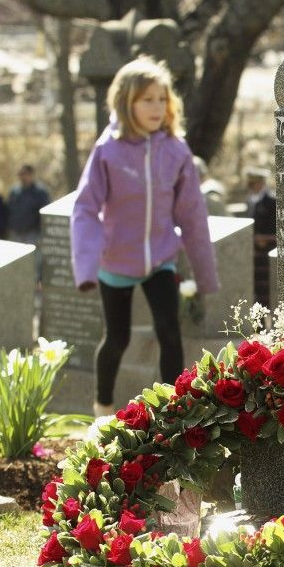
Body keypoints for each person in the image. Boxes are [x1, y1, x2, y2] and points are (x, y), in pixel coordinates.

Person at [70, 56, 219, 419]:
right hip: (116, 263)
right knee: (117, 339)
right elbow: (86, 207)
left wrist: (206, 275)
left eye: (161, 99)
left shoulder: (176, 150)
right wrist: (87, 267)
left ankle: (174, 412)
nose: (156, 107)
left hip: (160, 259)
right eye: (146, 99)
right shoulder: (108, 150)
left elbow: (193, 214)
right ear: (126, 102)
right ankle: (102, 407)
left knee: (169, 332)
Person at [244, 166, 276, 308]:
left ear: (260, 183)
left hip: (268, 251)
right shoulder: (251, 201)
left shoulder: (272, 201)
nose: (251, 187)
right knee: (257, 290)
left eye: (253, 183)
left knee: (268, 289)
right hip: (254, 252)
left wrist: (266, 239)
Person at [6, 164, 51, 244]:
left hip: (33, 233)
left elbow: (46, 213)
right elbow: (8, 210)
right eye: (20, 174)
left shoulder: (40, 192)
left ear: (31, 175)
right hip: (16, 233)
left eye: (24, 174)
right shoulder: (14, 192)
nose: (22, 177)